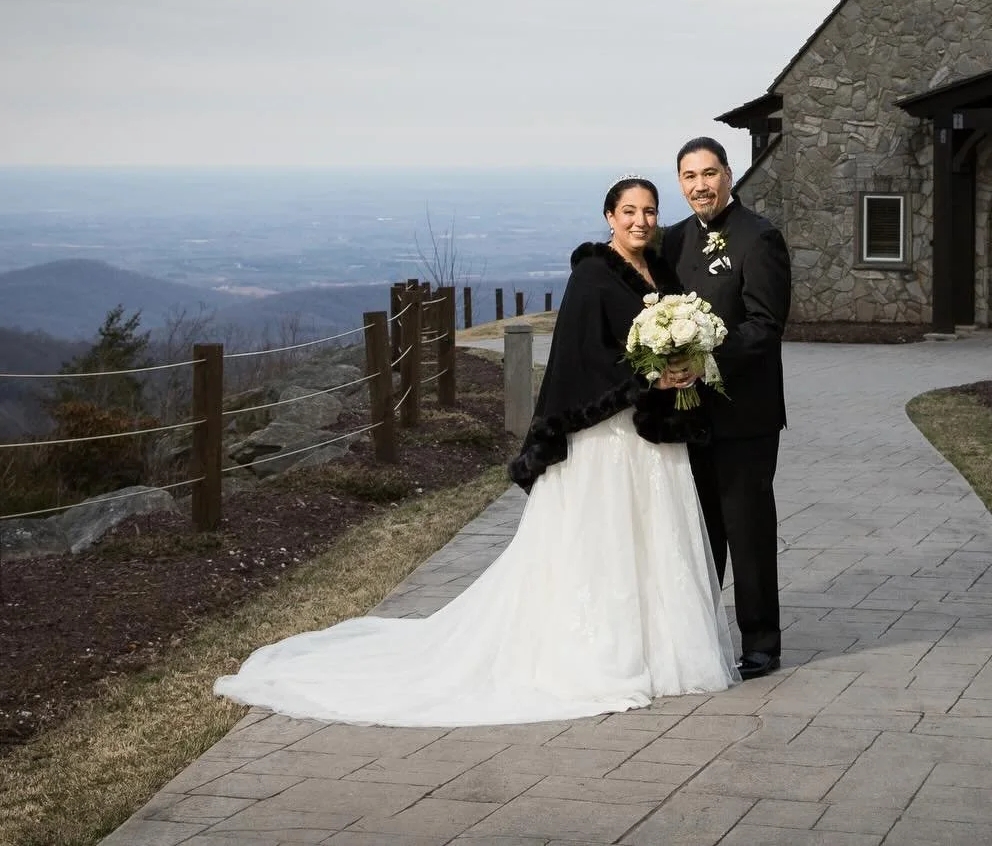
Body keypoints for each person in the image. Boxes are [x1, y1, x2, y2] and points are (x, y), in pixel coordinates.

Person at [214, 178, 737, 727]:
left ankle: (661, 653)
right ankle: (604, 654)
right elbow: (582, 358)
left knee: (654, 537)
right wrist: (648, 378)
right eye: (629, 211)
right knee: (604, 540)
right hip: (606, 437)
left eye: (649, 211)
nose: (640, 221)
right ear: (609, 216)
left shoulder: (662, 273)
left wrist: (683, 366)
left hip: (652, 436)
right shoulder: (591, 274)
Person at [661, 136, 790, 680]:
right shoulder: (672, 240)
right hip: (685, 414)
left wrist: (707, 361)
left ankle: (761, 642)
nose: (700, 186)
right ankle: (702, 636)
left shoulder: (760, 237)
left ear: (729, 175)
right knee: (697, 530)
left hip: (744, 413)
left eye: (709, 174)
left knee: (747, 528)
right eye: (690, 177)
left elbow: (765, 324)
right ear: (680, 183)